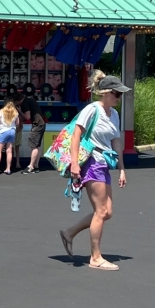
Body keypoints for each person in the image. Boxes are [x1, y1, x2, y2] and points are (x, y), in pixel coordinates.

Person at [58, 71, 129, 272]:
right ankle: (95, 257)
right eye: (117, 93)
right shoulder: (92, 109)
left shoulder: (114, 115)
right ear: (105, 92)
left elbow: (116, 141)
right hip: (91, 162)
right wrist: (74, 164)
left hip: (105, 164)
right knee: (101, 211)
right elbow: (76, 135)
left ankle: (69, 233)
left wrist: (122, 169)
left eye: (120, 94)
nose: (119, 97)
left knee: (107, 212)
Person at [0, 96, 19, 175]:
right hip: (12, 131)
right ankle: (8, 169)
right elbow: (18, 123)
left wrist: (1, 126)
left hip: (3, 132)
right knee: (9, 151)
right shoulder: (15, 112)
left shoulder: (0, 112)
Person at [20, 91, 47, 174]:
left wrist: (19, 111)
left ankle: (30, 166)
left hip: (37, 125)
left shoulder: (24, 103)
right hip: (41, 124)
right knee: (37, 146)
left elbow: (27, 117)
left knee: (34, 146)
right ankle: (36, 166)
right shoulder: (31, 100)